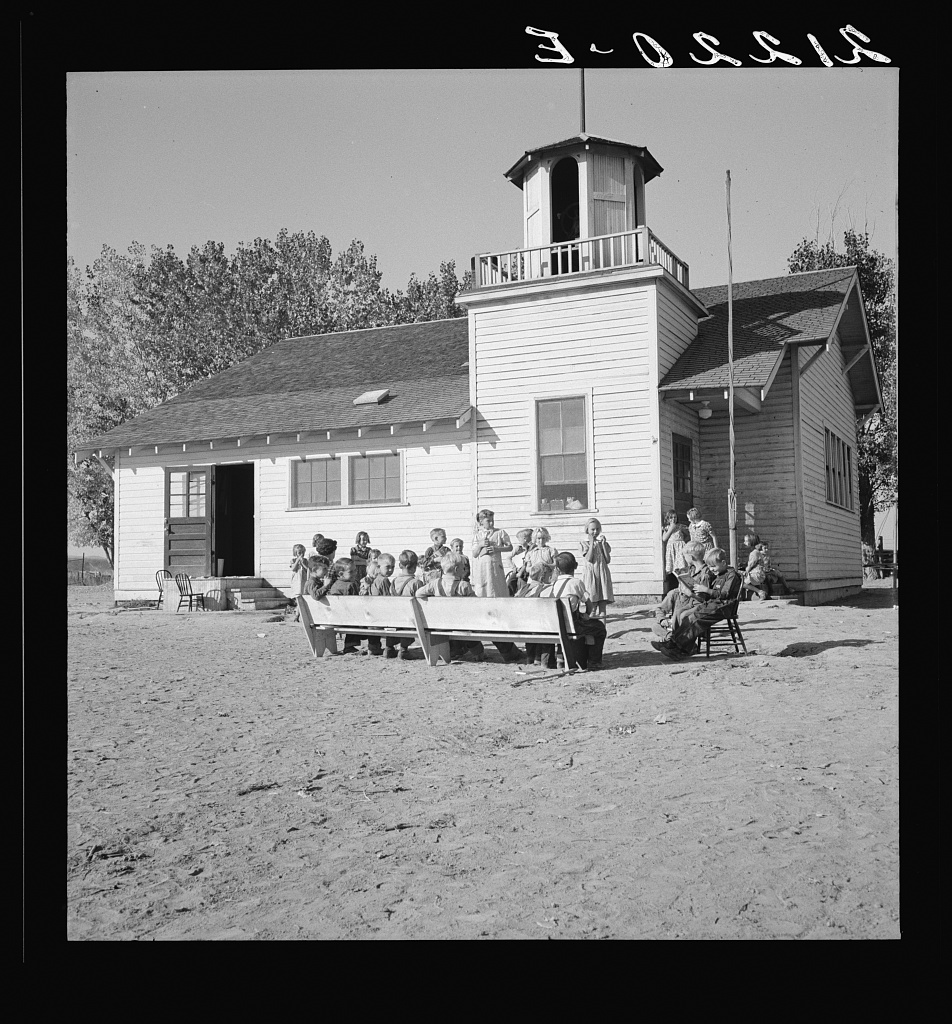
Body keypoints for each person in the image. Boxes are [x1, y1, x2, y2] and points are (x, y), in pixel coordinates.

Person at [652, 547, 741, 660]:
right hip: (714, 604)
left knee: (696, 619)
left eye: (713, 566)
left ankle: (677, 646)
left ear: (723, 563)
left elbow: (724, 594)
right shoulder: (719, 573)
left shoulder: (731, 575)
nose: (711, 569)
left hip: (725, 607)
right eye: (709, 566)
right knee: (689, 617)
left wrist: (706, 590)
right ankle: (674, 643)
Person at [415, 550, 486, 662]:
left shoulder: (435, 583)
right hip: (463, 623)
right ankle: (478, 653)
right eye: (463, 568)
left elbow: (418, 593)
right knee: (469, 624)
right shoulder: (464, 585)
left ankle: (455, 650)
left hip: (440, 624)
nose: (464, 570)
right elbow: (476, 604)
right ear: (457, 570)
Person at [541, 552, 607, 671]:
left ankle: (555, 659)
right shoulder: (576, 583)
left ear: (557, 568)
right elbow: (589, 603)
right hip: (570, 625)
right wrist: (586, 614)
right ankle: (594, 661)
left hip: (552, 625)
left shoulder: (553, 584)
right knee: (599, 628)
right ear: (576, 566)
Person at [652, 540, 710, 636]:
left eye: (685, 556)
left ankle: (673, 639)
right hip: (684, 601)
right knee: (655, 626)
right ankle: (671, 637)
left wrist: (690, 593)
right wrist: (662, 620)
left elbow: (704, 598)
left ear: (691, 557)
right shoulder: (690, 570)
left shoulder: (705, 573)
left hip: (693, 605)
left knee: (681, 614)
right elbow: (660, 609)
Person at [517, 561, 557, 667]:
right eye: (549, 574)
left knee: (533, 626)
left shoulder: (523, 589)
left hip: (523, 626)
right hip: (540, 625)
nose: (551, 577)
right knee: (546, 626)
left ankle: (532, 658)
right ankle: (544, 661)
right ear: (542, 576)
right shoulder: (547, 589)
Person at [386, 550, 425, 659]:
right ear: (415, 566)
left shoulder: (393, 582)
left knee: (396, 621)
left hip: (395, 618)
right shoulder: (416, 583)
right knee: (411, 619)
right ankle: (403, 649)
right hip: (410, 618)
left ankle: (389, 647)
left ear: (399, 565)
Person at [471, 509, 512, 598]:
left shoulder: (499, 532)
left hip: (495, 565)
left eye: (492, 521)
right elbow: (474, 554)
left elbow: (510, 547)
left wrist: (497, 549)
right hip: (483, 566)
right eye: (488, 521)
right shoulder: (478, 535)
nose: (491, 523)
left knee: (496, 587)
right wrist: (480, 545)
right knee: (483, 588)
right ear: (481, 521)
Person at [580, 518, 613, 619]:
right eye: (593, 529)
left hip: (602, 573)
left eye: (598, 529)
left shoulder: (602, 543)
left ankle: (603, 627)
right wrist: (591, 544)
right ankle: (593, 626)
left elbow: (607, 560)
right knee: (592, 601)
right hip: (591, 574)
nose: (595, 532)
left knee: (603, 602)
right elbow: (589, 558)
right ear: (587, 530)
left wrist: (603, 545)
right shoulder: (584, 543)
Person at [507, 528, 534, 595]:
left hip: (527, 571)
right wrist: (513, 567)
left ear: (525, 539)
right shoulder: (518, 548)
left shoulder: (532, 548)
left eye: (519, 539)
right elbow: (508, 558)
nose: (519, 541)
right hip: (518, 570)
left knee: (522, 585)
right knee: (510, 582)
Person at [661, 510, 681, 596]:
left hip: (679, 549)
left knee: (680, 568)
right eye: (671, 517)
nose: (673, 519)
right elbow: (664, 538)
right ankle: (673, 590)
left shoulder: (680, 526)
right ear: (667, 519)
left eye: (675, 517)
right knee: (672, 569)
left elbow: (686, 534)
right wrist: (670, 529)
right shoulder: (666, 528)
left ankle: (681, 588)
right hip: (671, 550)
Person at [288, 543, 308, 620]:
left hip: (303, 580)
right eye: (299, 552)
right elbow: (293, 568)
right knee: (298, 597)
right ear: (295, 553)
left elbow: (307, 569)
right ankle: (297, 615)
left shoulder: (305, 560)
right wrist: (298, 560)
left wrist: (302, 563)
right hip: (297, 581)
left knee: (302, 598)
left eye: (303, 552)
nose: (301, 554)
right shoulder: (293, 560)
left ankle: (297, 615)